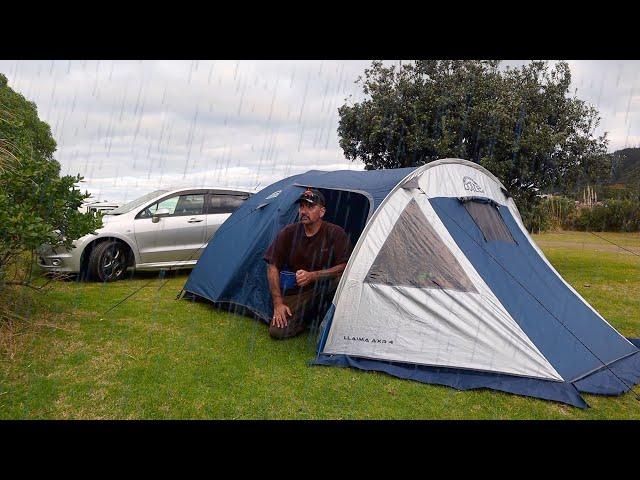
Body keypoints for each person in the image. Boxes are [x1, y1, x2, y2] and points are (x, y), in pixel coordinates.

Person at [263, 188, 352, 339]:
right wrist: (278, 303)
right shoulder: (289, 232)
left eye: (310, 207)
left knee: (341, 281)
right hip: (298, 292)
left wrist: (313, 276)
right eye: (302, 206)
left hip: (325, 287)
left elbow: (345, 267)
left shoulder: (335, 233)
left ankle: (334, 322)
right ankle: (306, 320)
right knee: (277, 332)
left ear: (322, 211)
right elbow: (272, 265)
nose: (304, 211)